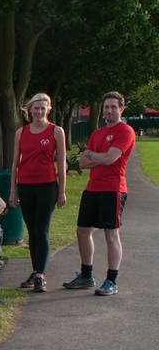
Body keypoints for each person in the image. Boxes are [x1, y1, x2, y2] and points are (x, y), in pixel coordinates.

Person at [63, 91, 135, 296]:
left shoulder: (125, 131)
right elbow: (83, 163)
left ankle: (111, 281)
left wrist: (93, 155)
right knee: (82, 230)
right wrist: (96, 157)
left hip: (113, 189)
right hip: (93, 188)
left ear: (121, 109)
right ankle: (86, 276)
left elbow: (110, 159)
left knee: (110, 234)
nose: (109, 110)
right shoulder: (97, 134)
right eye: (106, 107)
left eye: (114, 107)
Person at [8, 93, 67, 293]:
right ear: (29, 110)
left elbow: (61, 164)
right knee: (32, 230)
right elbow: (15, 164)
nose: (39, 111)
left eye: (43, 108)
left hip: (47, 186)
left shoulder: (56, 131)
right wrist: (13, 191)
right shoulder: (21, 132)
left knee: (41, 228)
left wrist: (62, 192)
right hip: (25, 186)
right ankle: (35, 271)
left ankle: (40, 274)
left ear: (48, 109)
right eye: (36, 108)